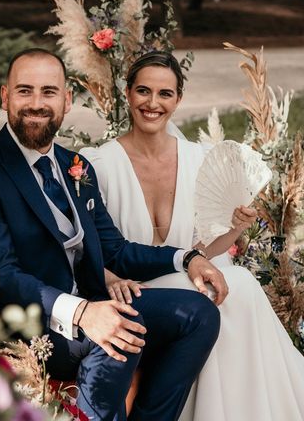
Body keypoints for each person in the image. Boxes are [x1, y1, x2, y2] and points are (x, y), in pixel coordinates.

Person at [0, 48, 224, 421]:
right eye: (24, 91)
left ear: (67, 99)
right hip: (27, 327)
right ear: (4, 97)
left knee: (198, 314)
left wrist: (186, 258)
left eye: (48, 92)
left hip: (91, 305)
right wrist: (82, 313)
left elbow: (115, 250)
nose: (36, 104)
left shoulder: (73, 165)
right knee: (117, 335)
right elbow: (0, 276)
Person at [81, 50, 304, 421]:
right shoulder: (99, 164)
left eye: (165, 94)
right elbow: (85, 245)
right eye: (143, 91)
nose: (153, 103)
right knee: (237, 286)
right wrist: (108, 277)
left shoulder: (198, 158)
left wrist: (234, 227)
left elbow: (201, 253)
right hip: (138, 290)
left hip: (186, 275)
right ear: (127, 93)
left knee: (236, 283)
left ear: (178, 99)